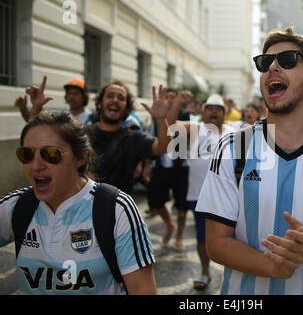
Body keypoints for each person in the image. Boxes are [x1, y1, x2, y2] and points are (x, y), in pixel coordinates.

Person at [195, 27, 303, 295]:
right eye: (265, 63)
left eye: (287, 60)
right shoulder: (232, 148)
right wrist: (274, 266)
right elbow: (216, 243)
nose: (273, 67)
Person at [0, 112, 156, 295]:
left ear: (80, 157)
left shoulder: (117, 210)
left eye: (51, 154)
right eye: (26, 154)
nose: (35, 166)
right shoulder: (15, 207)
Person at [24, 77, 171, 195]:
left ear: (126, 108)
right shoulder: (81, 133)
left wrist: (160, 119)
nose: (114, 100)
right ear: (100, 104)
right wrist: (36, 107)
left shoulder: (133, 138)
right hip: (80, 211)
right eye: (110, 96)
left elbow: (164, 147)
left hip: (117, 217)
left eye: (121, 98)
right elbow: (37, 139)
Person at [170, 93, 235, 290]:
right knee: (202, 238)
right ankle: (205, 271)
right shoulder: (195, 129)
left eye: (218, 109)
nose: (214, 112)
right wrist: (177, 103)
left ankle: (233, 273)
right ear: (202, 112)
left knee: (235, 238)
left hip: (229, 196)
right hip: (199, 195)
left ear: (225, 113)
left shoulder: (235, 132)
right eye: (210, 108)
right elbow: (170, 124)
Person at [146, 88, 193, 250]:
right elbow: (150, 141)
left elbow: (171, 126)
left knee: (182, 206)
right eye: (168, 97)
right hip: (161, 166)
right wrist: (145, 166)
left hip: (181, 168)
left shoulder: (185, 116)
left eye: (174, 98)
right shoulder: (156, 116)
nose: (170, 100)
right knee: (155, 202)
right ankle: (169, 224)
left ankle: (179, 235)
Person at [15, 77, 92, 124]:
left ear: (84, 96)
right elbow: (33, 122)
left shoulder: (92, 117)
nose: (72, 97)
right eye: (69, 93)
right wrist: (24, 108)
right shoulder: (59, 116)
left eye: (76, 93)